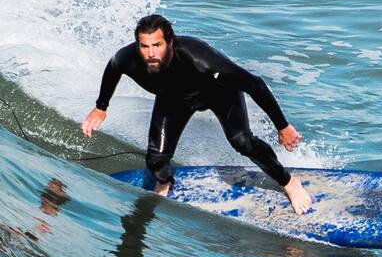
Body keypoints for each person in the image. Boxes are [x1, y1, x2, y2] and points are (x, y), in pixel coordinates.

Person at [82, 14, 312, 215]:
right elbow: (113, 68)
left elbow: (255, 84)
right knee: (156, 159)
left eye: (157, 45)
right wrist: (101, 107)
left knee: (242, 141)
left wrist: (282, 126)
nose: (151, 53)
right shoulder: (128, 58)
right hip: (174, 98)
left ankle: (289, 182)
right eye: (144, 46)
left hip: (220, 94)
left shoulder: (201, 61)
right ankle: (164, 183)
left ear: (170, 42)